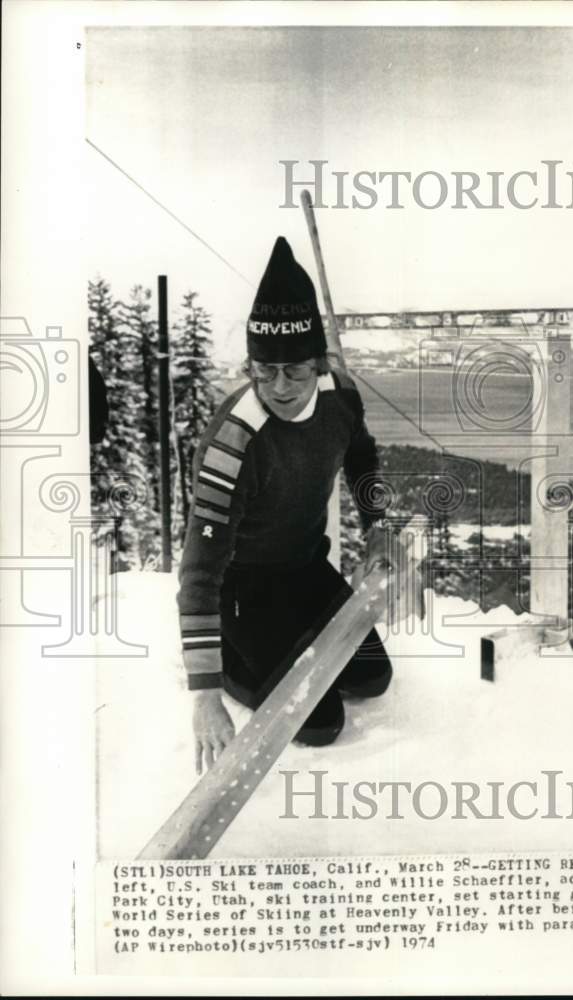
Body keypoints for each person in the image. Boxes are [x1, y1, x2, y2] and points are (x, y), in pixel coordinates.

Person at [178, 236, 392, 773]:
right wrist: (204, 695)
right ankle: (231, 655)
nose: (278, 386)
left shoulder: (340, 397)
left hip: (303, 567)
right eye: (263, 369)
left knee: (371, 677)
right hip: (242, 587)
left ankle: (284, 640)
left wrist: (376, 525)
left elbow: (361, 454)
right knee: (321, 725)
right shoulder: (234, 442)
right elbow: (199, 572)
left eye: (294, 371)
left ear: (318, 365)